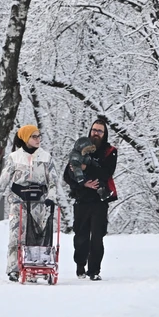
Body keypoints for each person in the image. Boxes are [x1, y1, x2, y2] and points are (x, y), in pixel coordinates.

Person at [0, 125, 58, 282]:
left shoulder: (46, 157)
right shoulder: (15, 157)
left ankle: (36, 267)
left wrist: (51, 198)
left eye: (39, 136)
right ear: (26, 138)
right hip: (18, 201)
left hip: (39, 202)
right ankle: (14, 268)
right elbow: (3, 181)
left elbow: (53, 181)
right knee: (16, 235)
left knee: (38, 236)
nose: (38, 139)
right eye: (34, 136)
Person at [63, 117, 117, 281]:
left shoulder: (110, 151)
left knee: (97, 237)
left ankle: (94, 270)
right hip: (82, 199)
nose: (96, 133)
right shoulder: (80, 148)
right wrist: (84, 183)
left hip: (100, 200)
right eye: (94, 130)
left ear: (105, 133)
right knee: (80, 237)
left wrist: (88, 167)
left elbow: (107, 173)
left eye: (100, 131)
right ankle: (80, 265)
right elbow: (67, 175)